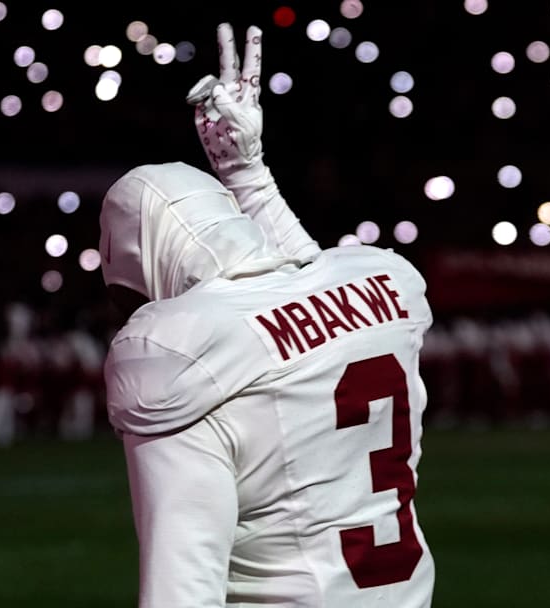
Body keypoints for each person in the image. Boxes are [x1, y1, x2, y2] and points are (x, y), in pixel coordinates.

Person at [100, 24, 435, 607]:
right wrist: (249, 175)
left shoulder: (172, 355)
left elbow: (183, 588)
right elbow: (299, 279)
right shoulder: (386, 282)